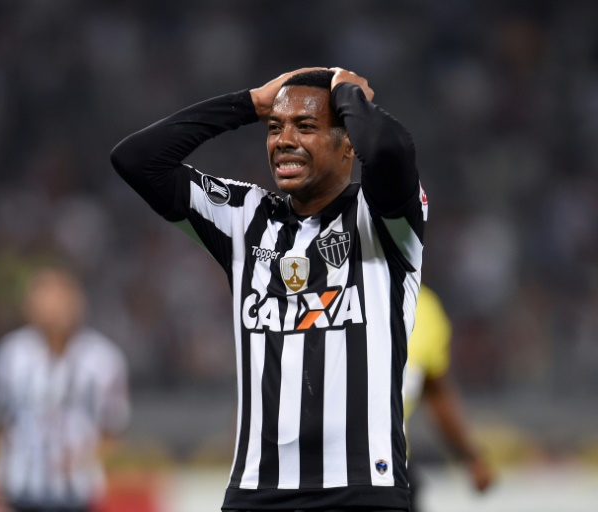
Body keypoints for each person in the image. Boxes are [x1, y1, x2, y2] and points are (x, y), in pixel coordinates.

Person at [111, 66, 426, 512]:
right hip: (257, 490)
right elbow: (136, 159)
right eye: (275, 127)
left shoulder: (383, 219)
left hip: (362, 490)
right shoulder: (244, 216)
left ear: (348, 144)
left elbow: (390, 149)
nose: (284, 140)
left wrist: (349, 95)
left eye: (306, 126)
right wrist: (248, 104)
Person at [0, 267, 131, 512]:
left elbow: (113, 428)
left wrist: (83, 459)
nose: (50, 307)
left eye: (57, 297)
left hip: (76, 498)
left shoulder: (104, 359)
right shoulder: (11, 354)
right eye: (41, 297)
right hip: (17, 495)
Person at [403, 285, 494, 512]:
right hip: (324, 467)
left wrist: (470, 457)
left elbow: (435, 391)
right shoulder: (329, 291)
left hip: (390, 463)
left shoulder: (423, 306)